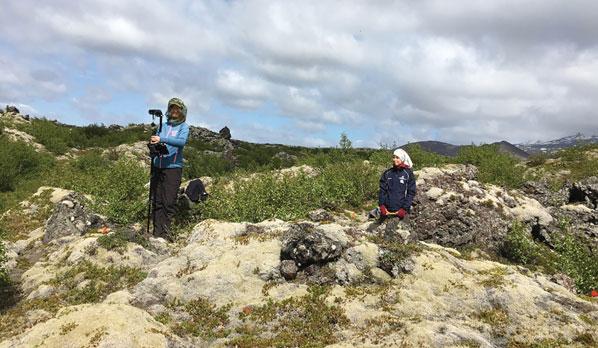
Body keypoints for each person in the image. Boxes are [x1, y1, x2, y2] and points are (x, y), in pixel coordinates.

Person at [149, 97, 189, 241]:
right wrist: (153, 146)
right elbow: (156, 141)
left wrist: (162, 140)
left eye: (177, 108)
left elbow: (181, 142)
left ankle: (166, 234)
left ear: (182, 111)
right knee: (157, 201)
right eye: (172, 108)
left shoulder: (184, 127)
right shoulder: (162, 125)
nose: (174, 111)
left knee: (168, 202)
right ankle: (156, 233)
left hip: (173, 168)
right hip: (158, 166)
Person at [377, 148, 416, 220]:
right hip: (386, 211)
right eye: (393, 157)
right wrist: (382, 205)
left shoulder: (408, 173)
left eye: (397, 157)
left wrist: (404, 209)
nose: (394, 159)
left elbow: (411, 193)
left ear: (402, 159)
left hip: (401, 212)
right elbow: (382, 191)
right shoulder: (387, 173)